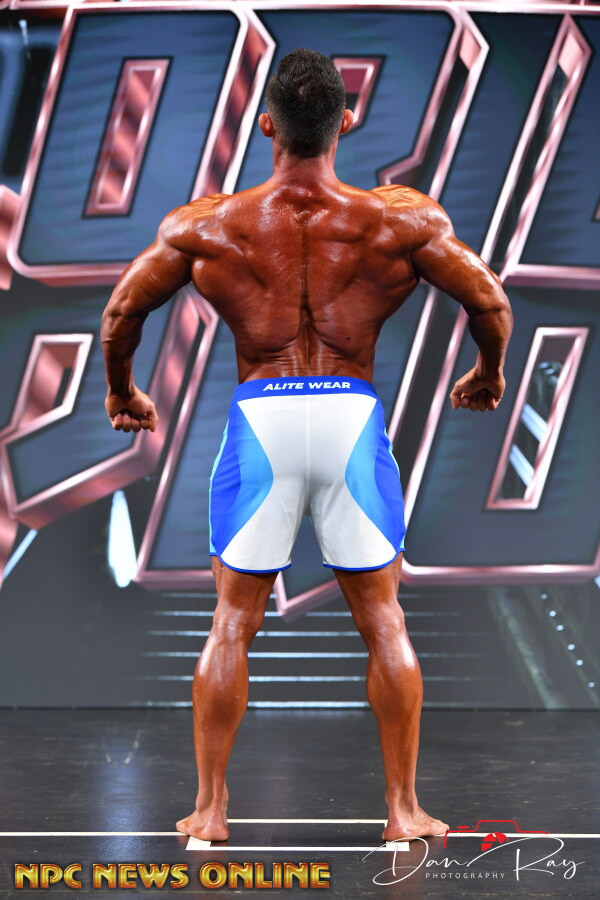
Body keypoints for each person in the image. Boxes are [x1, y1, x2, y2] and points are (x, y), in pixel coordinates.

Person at [101, 48, 513, 842]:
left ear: (266, 126)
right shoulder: (397, 219)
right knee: (384, 619)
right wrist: (487, 372)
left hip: (264, 417)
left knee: (232, 621)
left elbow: (122, 312)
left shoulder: (210, 224)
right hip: (350, 415)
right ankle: (402, 811)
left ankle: (211, 810)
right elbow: (489, 301)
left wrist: (123, 391)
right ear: (345, 122)